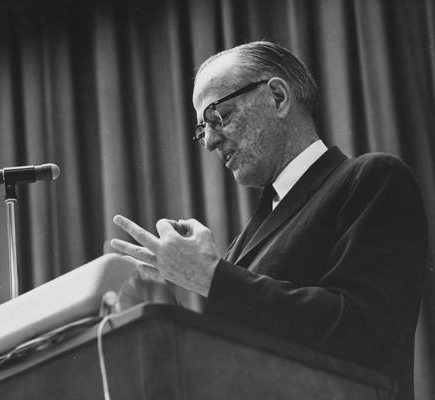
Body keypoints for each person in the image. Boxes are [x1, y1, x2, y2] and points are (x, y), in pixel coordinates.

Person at [110, 41, 427, 399]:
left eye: (219, 116)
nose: (211, 142)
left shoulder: (370, 179)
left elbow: (365, 333)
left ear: (277, 97)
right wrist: (169, 298)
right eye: (203, 130)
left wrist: (212, 277)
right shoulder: (244, 241)